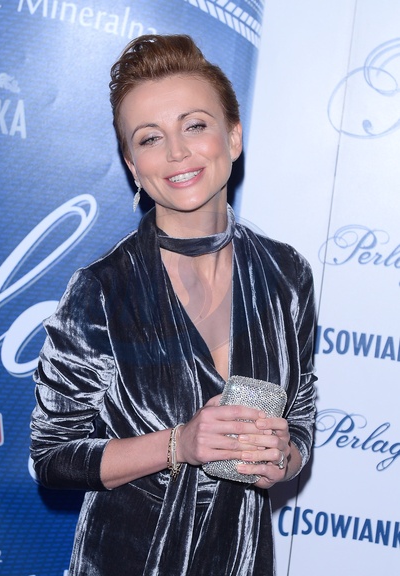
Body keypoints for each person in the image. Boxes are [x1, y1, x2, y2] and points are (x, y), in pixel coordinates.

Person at [30, 34, 317, 576]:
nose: (176, 153)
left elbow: (299, 414)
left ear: (234, 137)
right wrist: (179, 444)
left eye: (195, 125)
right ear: (132, 164)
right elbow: (52, 457)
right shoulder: (102, 289)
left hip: (242, 558)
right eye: (150, 137)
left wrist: (284, 458)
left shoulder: (287, 275)